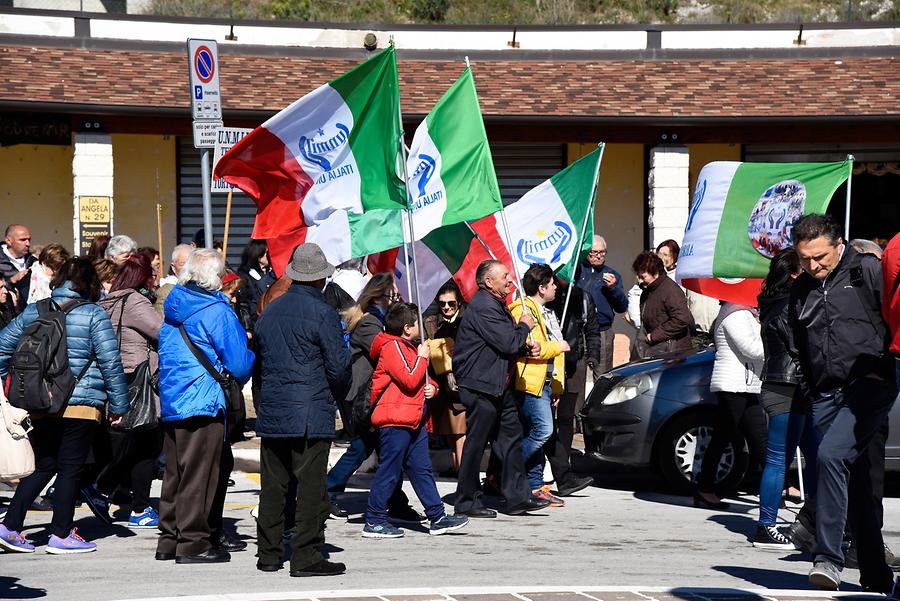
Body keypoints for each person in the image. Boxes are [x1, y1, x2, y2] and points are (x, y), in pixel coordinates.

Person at [789, 214, 896, 593]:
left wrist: (884, 371)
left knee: (831, 458)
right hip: (825, 393)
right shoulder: (800, 288)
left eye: (820, 257)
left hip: (868, 387)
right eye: (805, 259)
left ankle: (828, 559)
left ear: (839, 245)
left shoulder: (867, 270)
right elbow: (798, 343)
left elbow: (893, 321)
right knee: (861, 486)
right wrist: (811, 387)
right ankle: (877, 575)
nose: (813, 266)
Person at [0, 257, 129, 554]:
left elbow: (2, 348)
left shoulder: (35, 311)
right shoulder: (94, 315)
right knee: (71, 467)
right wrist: (120, 405)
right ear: (90, 283)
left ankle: (9, 526)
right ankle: (61, 534)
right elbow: (111, 362)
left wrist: (16, 386)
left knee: (44, 464)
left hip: (42, 402)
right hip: (81, 404)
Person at [254, 243, 350, 576]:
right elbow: (339, 368)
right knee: (310, 487)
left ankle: (268, 553)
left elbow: (260, 365)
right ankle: (306, 555)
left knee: (273, 486)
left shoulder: (269, 312)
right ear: (320, 279)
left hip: (274, 410)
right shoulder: (323, 313)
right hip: (310, 411)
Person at [155, 248, 254, 564]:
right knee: (201, 474)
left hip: (174, 398)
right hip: (203, 399)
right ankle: (194, 543)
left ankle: (170, 538)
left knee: (176, 474)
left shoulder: (175, 305)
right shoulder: (216, 310)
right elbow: (239, 363)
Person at [362, 303, 469, 538]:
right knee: (389, 471)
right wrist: (422, 359)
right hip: (395, 419)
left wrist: (432, 388)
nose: (422, 327)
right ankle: (375, 520)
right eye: (417, 323)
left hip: (413, 419)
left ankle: (437, 516)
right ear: (407, 328)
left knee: (422, 470)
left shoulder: (408, 347)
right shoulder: (392, 347)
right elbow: (410, 379)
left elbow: (419, 380)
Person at [452, 259, 549, 518]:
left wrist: (525, 347)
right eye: (504, 276)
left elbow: (504, 345)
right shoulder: (484, 306)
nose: (510, 280)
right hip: (481, 385)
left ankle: (518, 497)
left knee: (511, 438)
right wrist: (524, 327)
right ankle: (466, 500)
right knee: (476, 443)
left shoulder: (496, 305)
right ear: (488, 282)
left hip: (498, 385)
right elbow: (507, 342)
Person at [326, 273, 421, 523]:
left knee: (381, 448)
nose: (396, 299)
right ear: (380, 296)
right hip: (361, 396)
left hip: (369, 395)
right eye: (393, 295)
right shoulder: (370, 323)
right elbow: (386, 350)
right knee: (363, 447)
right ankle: (329, 491)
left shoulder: (374, 320)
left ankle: (396, 501)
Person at [752, 248, 819, 550]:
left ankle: (816, 521)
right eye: (803, 267)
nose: (810, 270)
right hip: (787, 387)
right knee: (779, 459)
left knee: (818, 457)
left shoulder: (775, 303)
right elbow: (800, 349)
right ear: (793, 274)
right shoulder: (786, 308)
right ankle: (766, 525)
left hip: (790, 387)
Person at [92, 253, 163, 529]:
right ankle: (138, 507)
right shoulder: (134, 301)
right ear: (142, 277)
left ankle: (106, 489)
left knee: (135, 442)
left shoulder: (108, 301)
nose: (154, 280)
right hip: (138, 377)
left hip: (117, 376)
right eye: (152, 275)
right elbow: (160, 331)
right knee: (147, 442)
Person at [508, 264, 571, 507]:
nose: (556, 287)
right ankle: (508, 470)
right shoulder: (523, 310)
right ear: (542, 287)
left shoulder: (547, 312)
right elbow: (532, 350)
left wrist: (556, 386)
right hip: (530, 382)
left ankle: (535, 487)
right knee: (543, 431)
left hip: (544, 381)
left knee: (538, 433)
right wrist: (560, 346)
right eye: (552, 283)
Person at [694, 301, 767, 508]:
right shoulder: (734, 314)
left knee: (759, 437)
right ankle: (704, 489)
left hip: (744, 384)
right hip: (733, 384)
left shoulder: (744, 313)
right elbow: (752, 349)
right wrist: (771, 338)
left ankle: (777, 486)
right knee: (723, 437)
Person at [545, 275, 598, 495]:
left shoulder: (582, 298)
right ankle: (547, 466)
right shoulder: (547, 297)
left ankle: (563, 463)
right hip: (549, 362)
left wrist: (592, 355)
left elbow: (592, 330)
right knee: (545, 418)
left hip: (573, 363)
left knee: (566, 417)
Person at [423, 282, 467, 476]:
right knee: (451, 432)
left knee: (461, 433)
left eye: (451, 303)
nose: (447, 308)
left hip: (462, 384)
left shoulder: (468, 320)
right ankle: (456, 466)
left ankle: (463, 472)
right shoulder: (431, 323)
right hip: (441, 385)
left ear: (458, 302)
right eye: (443, 304)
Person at [577, 235, 628, 375]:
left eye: (602, 252)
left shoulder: (612, 275)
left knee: (602, 376)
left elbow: (622, 307)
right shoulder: (576, 271)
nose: (599, 256)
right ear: (586, 252)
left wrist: (613, 289)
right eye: (595, 252)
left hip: (602, 331)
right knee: (576, 378)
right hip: (578, 332)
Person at [630, 251, 692, 358]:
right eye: (638, 276)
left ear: (655, 273)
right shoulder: (648, 291)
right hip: (656, 349)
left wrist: (654, 336)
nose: (640, 281)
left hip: (672, 352)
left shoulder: (670, 290)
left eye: (643, 277)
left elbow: (681, 319)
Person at [0, 224, 36, 313]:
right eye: (23, 240)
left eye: (29, 240)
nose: (28, 244)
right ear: (8, 240)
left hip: (29, 315)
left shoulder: (34, 262)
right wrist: (12, 280)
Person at [236, 239, 274, 321]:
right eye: (266, 253)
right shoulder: (244, 275)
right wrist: (248, 327)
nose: (269, 255)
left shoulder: (272, 273)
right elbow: (243, 304)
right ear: (257, 254)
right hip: (254, 319)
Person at [155, 244, 192, 317]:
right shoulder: (167, 292)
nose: (187, 269)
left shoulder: (203, 288)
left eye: (191, 264)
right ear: (173, 268)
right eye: (183, 264)